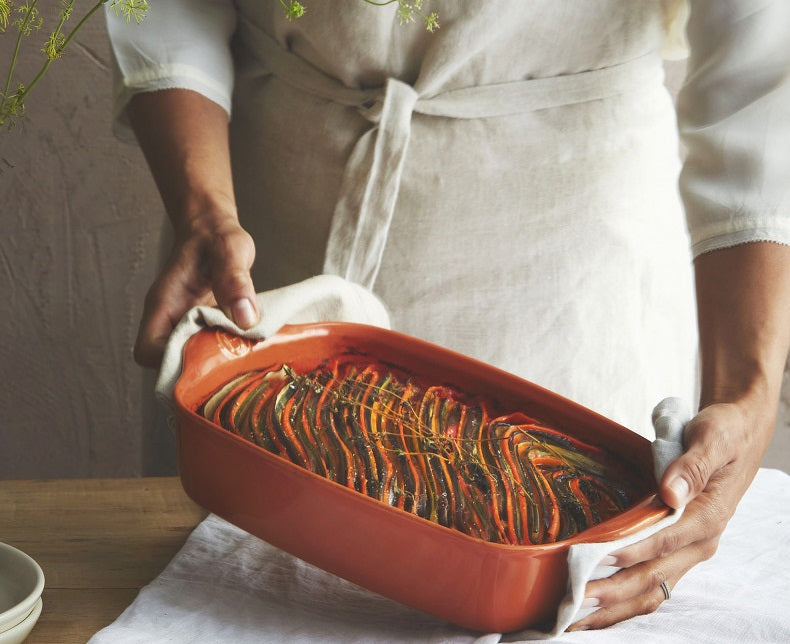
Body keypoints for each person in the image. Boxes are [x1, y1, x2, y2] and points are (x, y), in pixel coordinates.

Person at [106, 0, 790, 632]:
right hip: (262, 256)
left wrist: (748, 393)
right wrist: (203, 211)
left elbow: (762, 68)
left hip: (577, 285)